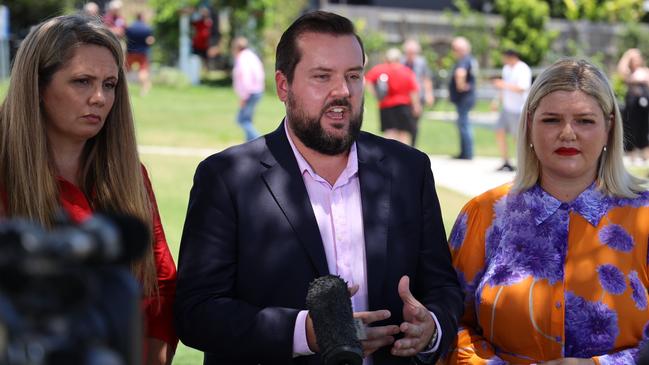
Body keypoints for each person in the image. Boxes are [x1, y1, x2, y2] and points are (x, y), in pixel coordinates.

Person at [174, 10, 463, 365]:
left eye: (353, 76)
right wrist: (307, 332)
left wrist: (431, 328)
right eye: (322, 77)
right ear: (283, 85)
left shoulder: (409, 170)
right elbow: (197, 312)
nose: (342, 91)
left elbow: (443, 288)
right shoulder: (227, 178)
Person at [446, 58, 649, 364]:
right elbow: (450, 321)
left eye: (585, 121)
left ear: (609, 127)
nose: (568, 133)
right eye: (552, 120)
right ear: (529, 124)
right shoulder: (484, 215)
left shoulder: (644, 215)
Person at [0, 15, 177, 365]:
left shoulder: (130, 176)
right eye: (82, 82)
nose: (99, 98)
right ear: (37, 87)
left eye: (109, 84)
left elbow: (161, 290)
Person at [366, 47, 421, 146]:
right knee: (404, 133)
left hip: (386, 105)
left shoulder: (380, 69)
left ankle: (390, 157)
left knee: (390, 132)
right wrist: (416, 105)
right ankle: (405, 156)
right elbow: (413, 90)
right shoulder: (406, 71)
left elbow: (367, 81)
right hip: (404, 106)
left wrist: (376, 94)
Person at [491, 49, 532, 171]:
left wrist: (503, 85)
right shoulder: (506, 69)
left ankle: (523, 164)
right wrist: (497, 101)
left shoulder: (523, 69)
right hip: (507, 108)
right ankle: (505, 161)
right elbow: (503, 89)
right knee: (499, 131)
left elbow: (522, 88)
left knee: (518, 138)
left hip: (518, 109)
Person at [617, 48, 649, 165]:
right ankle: (632, 156)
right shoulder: (628, 72)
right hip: (632, 104)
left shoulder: (644, 71)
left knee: (644, 128)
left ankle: (646, 156)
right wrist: (627, 54)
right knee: (631, 127)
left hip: (644, 104)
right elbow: (621, 71)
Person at [448, 37, 477, 160]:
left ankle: (467, 153)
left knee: (464, 124)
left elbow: (460, 73)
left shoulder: (464, 60)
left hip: (464, 98)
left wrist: (459, 86)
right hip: (465, 98)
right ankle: (465, 152)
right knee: (463, 124)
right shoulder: (469, 59)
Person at [402, 38, 435, 146]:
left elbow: (426, 79)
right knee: (404, 124)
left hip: (418, 97)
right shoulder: (401, 62)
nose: (411, 55)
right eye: (409, 52)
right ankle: (403, 146)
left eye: (413, 53)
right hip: (404, 98)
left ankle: (413, 146)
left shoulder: (422, 62)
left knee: (415, 124)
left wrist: (429, 94)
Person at [231, 36, 264, 141]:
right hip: (257, 90)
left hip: (250, 93)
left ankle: (259, 141)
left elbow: (246, 78)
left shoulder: (242, 58)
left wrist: (244, 97)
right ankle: (249, 145)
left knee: (242, 120)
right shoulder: (251, 56)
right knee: (248, 120)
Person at [125, 12, 155, 96]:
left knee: (125, 71)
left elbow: (126, 37)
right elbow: (150, 40)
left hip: (130, 52)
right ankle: (143, 91)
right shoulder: (147, 28)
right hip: (142, 53)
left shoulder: (130, 27)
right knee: (143, 71)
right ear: (142, 17)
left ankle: (123, 89)